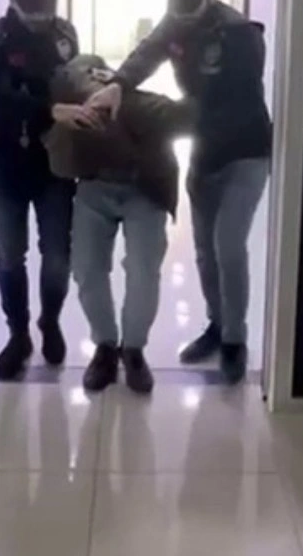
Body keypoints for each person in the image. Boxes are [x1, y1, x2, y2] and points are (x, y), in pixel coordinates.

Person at [87, 0, 271, 384]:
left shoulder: (240, 34)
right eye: (177, 8)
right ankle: (216, 325)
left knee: (228, 245)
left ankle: (235, 340)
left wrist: (158, 118)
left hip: (245, 151)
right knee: (204, 249)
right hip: (205, 153)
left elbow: (234, 105)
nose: (182, 16)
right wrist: (118, 83)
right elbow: (146, 53)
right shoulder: (174, 21)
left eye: (190, 9)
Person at [0, 0, 97, 380]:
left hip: (54, 163)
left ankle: (50, 322)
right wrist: (51, 109)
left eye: (46, 12)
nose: (41, 21)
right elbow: (0, 97)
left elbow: (72, 81)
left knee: (57, 256)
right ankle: (18, 334)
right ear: (11, 0)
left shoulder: (65, 33)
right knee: (10, 255)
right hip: (4, 161)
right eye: (32, 13)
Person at [44, 55, 193, 394]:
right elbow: (55, 153)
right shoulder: (65, 98)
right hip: (95, 187)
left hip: (145, 189)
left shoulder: (147, 107)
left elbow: (189, 119)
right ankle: (105, 347)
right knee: (86, 268)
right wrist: (61, 117)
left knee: (143, 270)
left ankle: (134, 350)